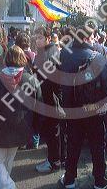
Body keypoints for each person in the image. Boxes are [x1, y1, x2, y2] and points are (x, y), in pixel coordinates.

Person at [0, 45, 42, 188]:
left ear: (6, 60)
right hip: (22, 128)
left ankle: (8, 185)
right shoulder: (32, 80)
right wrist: (35, 128)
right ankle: (2, 185)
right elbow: (39, 107)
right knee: (8, 159)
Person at [59, 26, 107, 189]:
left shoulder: (64, 54)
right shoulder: (97, 57)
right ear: (85, 38)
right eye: (92, 37)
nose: (94, 40)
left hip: (72, 109)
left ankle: (69, 179)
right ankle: (100, 180)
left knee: (73, 144)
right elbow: (106, 85)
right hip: (94, 110)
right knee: (98, 146)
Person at [33, 27, 64, 173]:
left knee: (53, 132)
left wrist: (58, 100)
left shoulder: (50, 53)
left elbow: (56, 80)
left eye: (40, 37)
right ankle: (58, 159)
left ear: (47, 38)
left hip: (50, 99)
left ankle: (54, 161)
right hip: (48, 98)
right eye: (36, 38)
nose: (37, 40)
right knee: (54, 132)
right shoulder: (46, 52)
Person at [15, 33, 40, 150]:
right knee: (33, 114)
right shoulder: (33, 55)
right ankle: (34, 140)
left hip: (18, 85)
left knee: (20, 114)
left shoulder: (15, 54)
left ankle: (22, 141)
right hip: (31, 84)